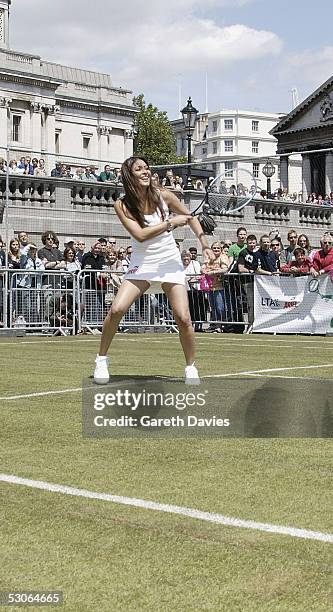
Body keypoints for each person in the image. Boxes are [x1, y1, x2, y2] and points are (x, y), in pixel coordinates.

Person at [94, 155, 214, 385]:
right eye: (139, 169)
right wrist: (170, 223)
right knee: (117, 309)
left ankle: (191, 367)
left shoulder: (164, 194)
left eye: (147, 168)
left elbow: (190, 217)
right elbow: (140, 234)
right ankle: (101, 359)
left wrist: (205, 245)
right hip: (142, 262)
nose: (145, 172)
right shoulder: (121, 204)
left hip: (169, 260)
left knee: (183, 318)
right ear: (129, 175)